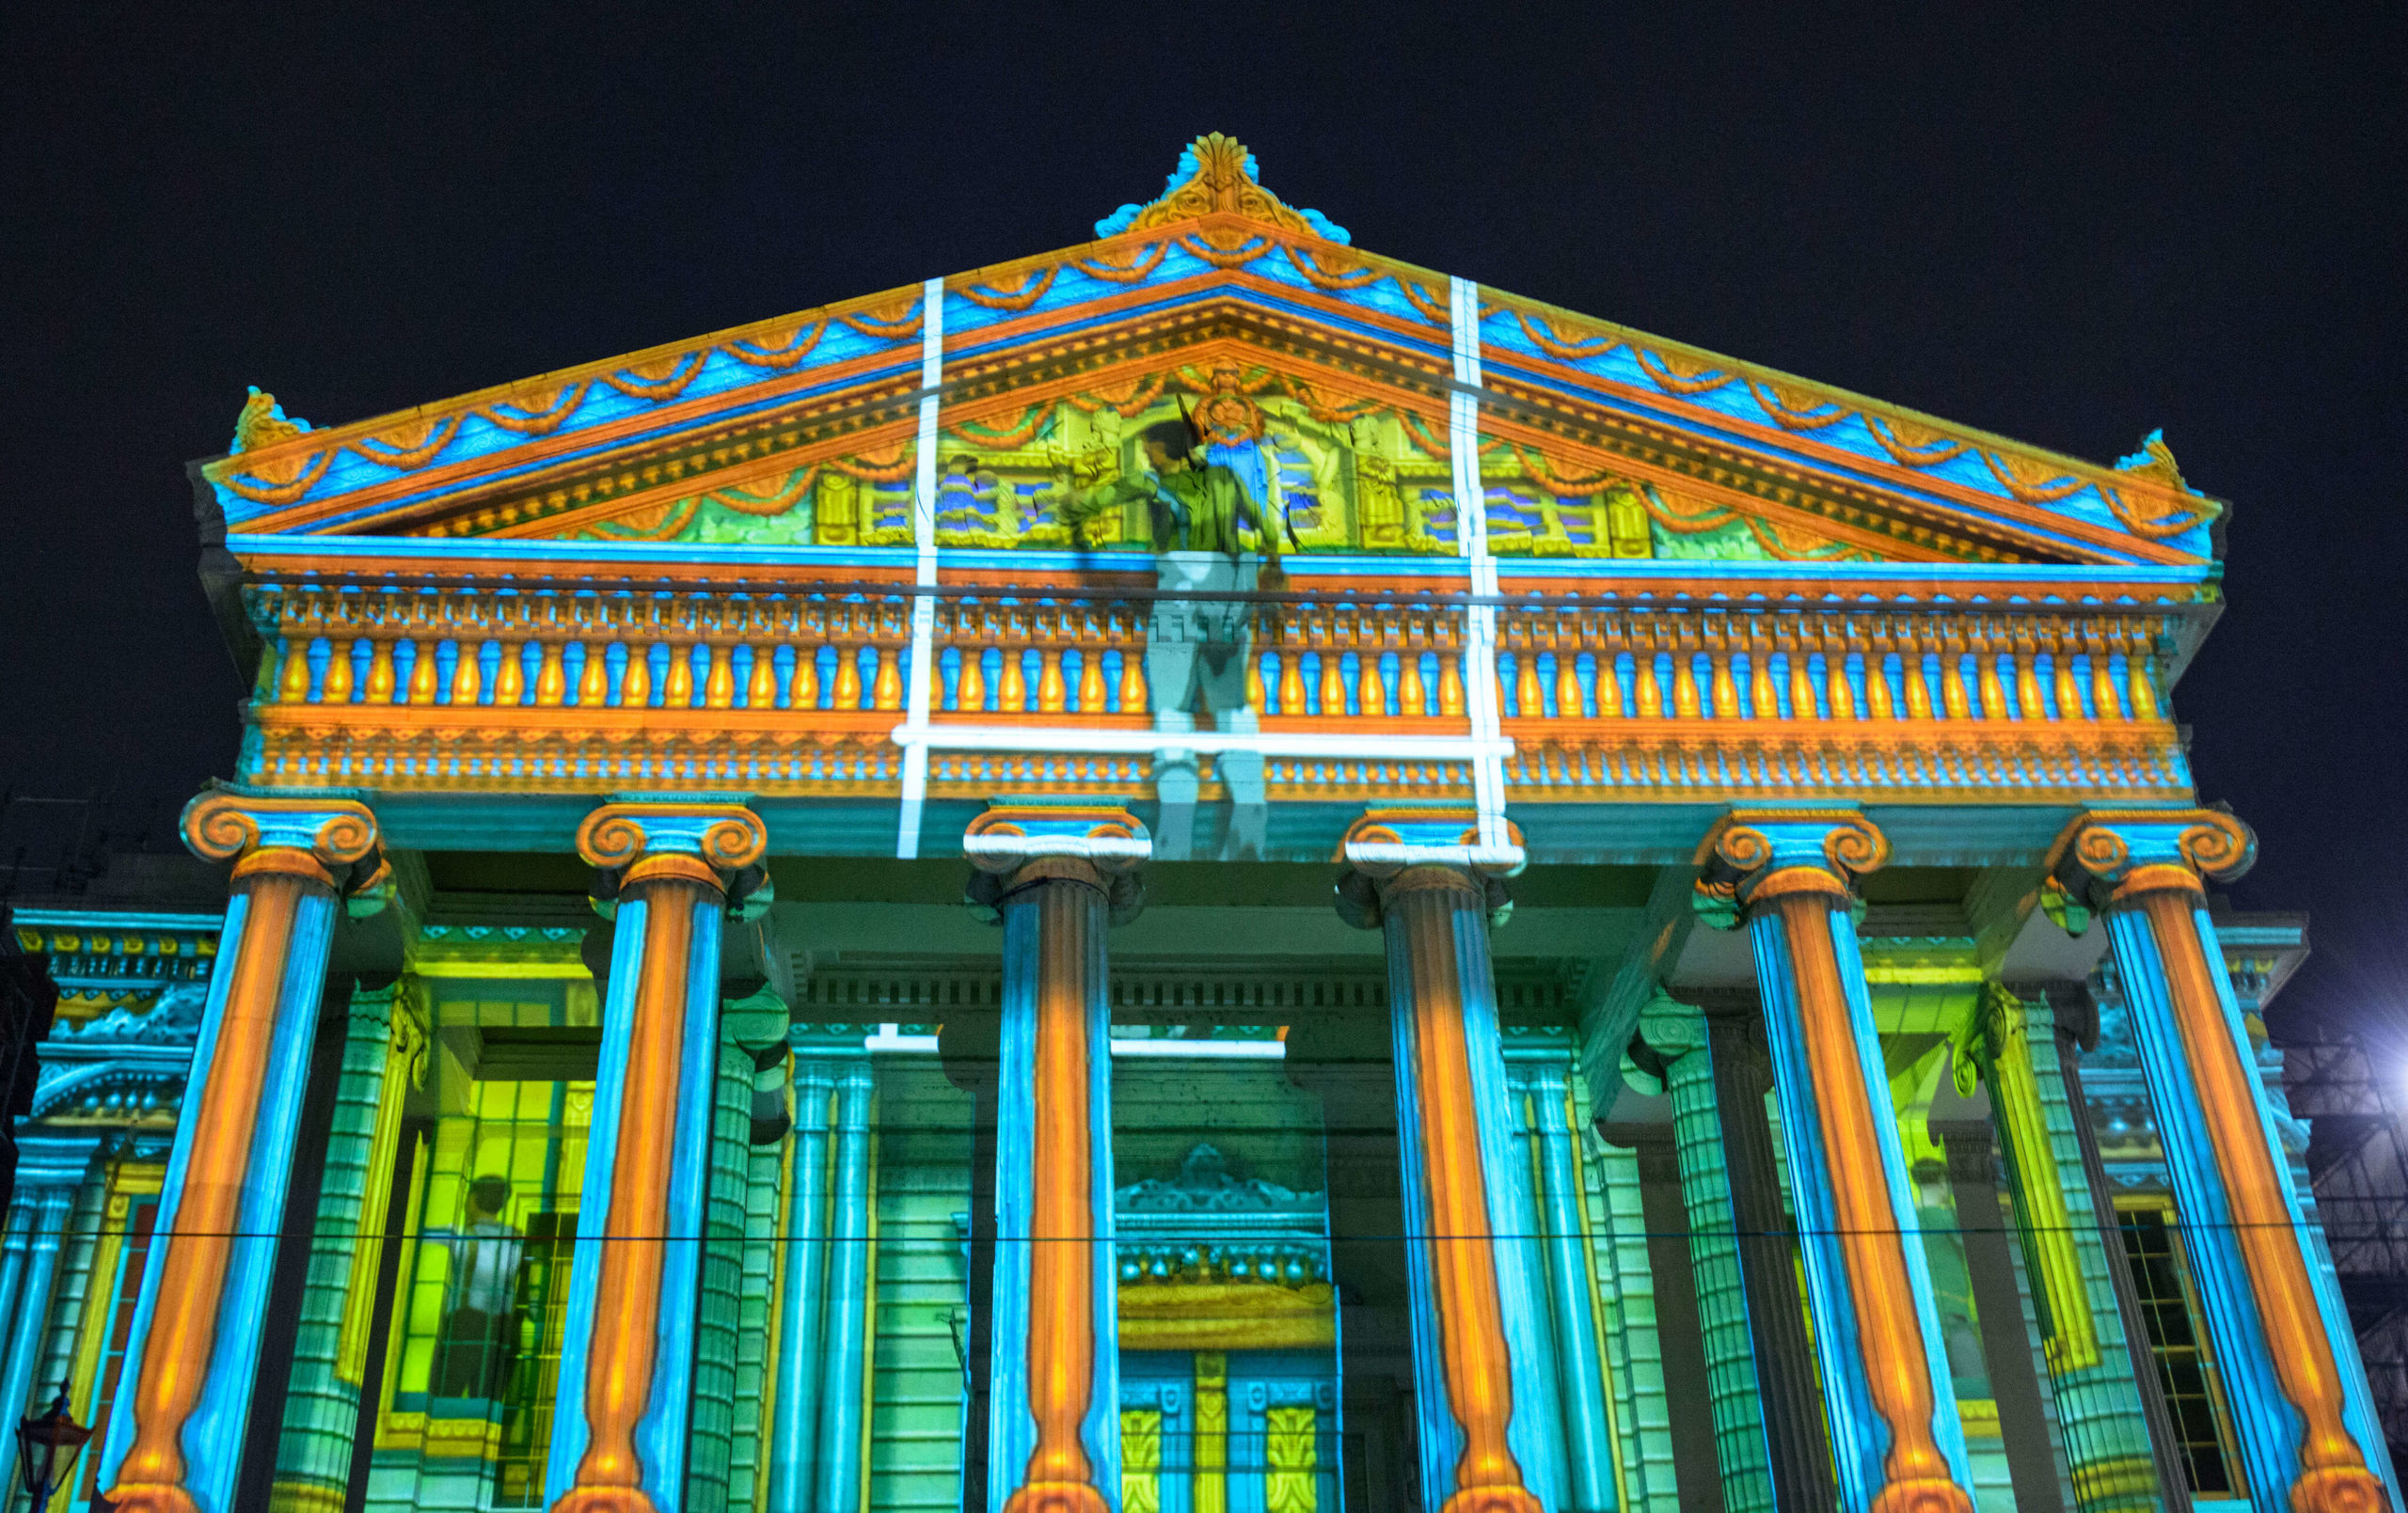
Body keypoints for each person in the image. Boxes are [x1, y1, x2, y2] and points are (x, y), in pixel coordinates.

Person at [1057, 416, 1286, 859]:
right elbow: (1267, 528)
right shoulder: (1226, 480)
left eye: (1150, 448)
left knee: (1172, 709)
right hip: (1228, 603)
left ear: (1165, 449)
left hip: (1178, 602)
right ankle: (1250, 816)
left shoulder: (1152, 484)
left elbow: (1089, 504)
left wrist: (1070, 511)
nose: (1147, 455)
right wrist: (1273, 566)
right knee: (1233, 707)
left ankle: (1176, 826)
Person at [432, 1174, 525, 1401]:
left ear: (473, 1199)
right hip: (502, 1326)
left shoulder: (458, 1234)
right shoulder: (518, 1238)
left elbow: (415, 1235)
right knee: (487, 1400)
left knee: (446, 1396)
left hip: (464, 1324)